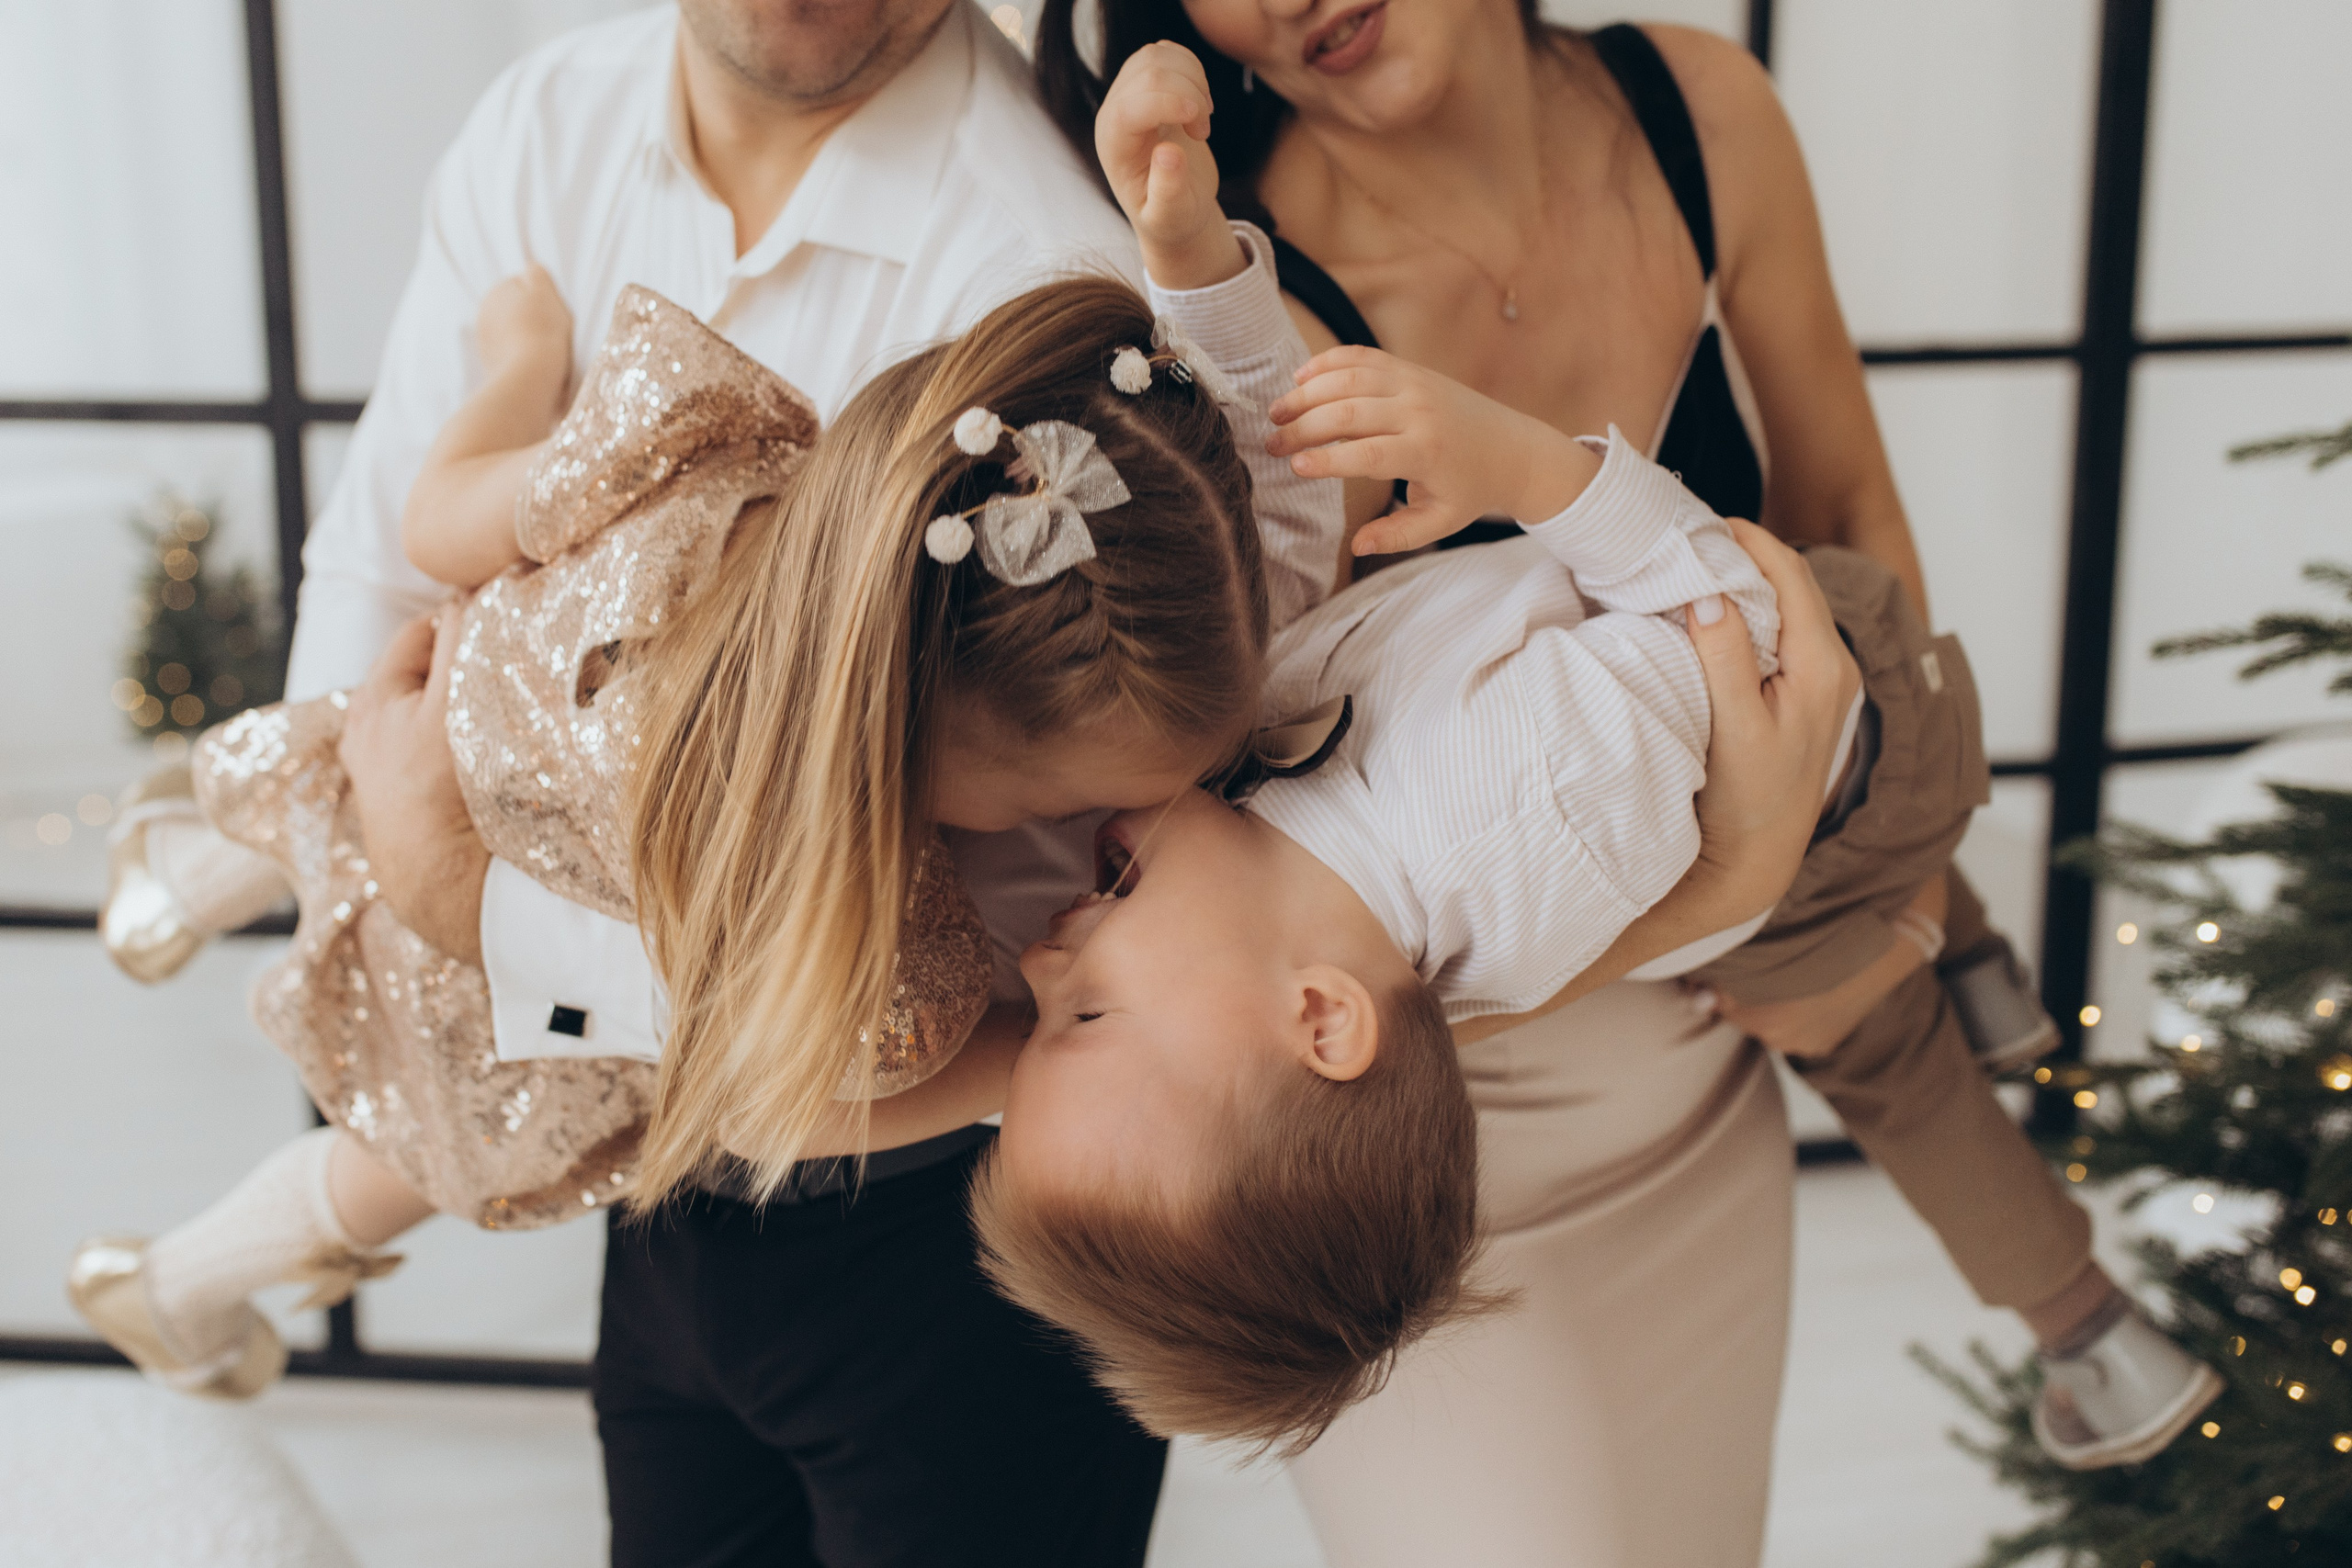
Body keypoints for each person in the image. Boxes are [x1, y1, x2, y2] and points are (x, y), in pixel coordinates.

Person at [83, 3, 1291, 1563]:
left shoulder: (1044, 288)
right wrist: (380, 847)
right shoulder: (548, 131)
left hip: (941, 1225)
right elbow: (387, 552)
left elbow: (961, 985)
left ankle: (207, 921)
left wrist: (465, 897)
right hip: (666, 1197)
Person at [1035, 5, 2206, 1507]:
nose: (1047, 946)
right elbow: (1732, 638)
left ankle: (1956, 956)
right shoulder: (1496, 816)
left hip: (1840, 706)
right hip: (1754, 723)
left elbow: (1281, 478)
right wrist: (1531, 472)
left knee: (1872, 916)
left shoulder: (1693, 108)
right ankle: (2086, 1323)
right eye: (1083, 1008)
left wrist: (1195, 266)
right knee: (1873, 1034)